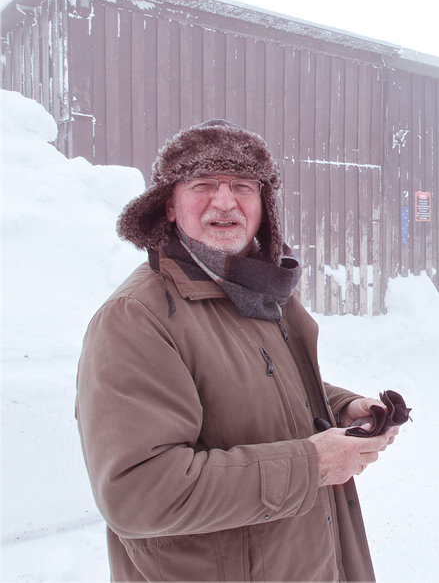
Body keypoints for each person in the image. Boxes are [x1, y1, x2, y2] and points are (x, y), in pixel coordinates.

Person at [76, 120, 399, 581]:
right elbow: (139, 492)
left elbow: (258, 387)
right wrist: (312, 465)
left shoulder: (260, 290)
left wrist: (343, 408)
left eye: (242, 187)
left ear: (263, 206)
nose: (224, 201)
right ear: (170, 205)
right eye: (204, 184)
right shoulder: (136, 318)